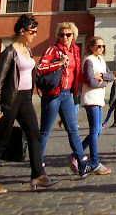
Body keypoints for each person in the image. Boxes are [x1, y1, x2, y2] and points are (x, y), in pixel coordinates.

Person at [0, 14, 57, 194]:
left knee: (34, 134)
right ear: (22, 31)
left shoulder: (27, 50)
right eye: (32, 31)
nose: (35, 35)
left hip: (25, 98)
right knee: (1, 140)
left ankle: (37, 175)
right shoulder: (9, 52)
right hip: (11, 99)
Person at [38, 22, 92, 178]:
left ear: (73, 36)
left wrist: (93, 80)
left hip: (67, 95)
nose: (65, 37)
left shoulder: (75, 51)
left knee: (73, 129)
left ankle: (81, 163)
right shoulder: (52, 50)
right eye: (62, 35)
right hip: (52, 95)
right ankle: (38, 166)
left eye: (68, 35)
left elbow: (76, 73)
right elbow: (40, 68)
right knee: (45, 132)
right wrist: (59, 63)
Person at [80, 36, 114, 175]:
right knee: (94, 130)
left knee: (98, 130)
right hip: (91, 98)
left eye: (102, 46)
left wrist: (102, 78)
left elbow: (111, 76)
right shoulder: (89, 60)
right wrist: (102, 81)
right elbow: (90, 81)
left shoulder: (101, 60)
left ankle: (77, 153)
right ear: (91, 47)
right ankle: (94, 161)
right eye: (98, 46)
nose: (101, 48)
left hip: (99, 99)